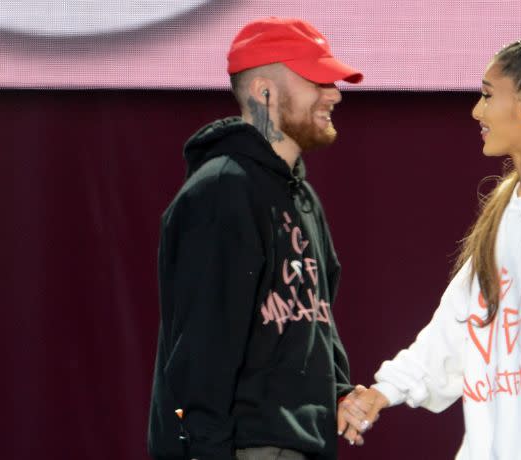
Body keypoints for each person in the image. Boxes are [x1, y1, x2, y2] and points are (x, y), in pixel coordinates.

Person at [337, 19, 521, 460]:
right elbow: (457, 327)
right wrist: (384, 391)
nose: (477, 112)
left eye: (486, 95)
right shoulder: (506, 208)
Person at [148, 17, 363, 460]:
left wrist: (338, 392)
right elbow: (201, 350)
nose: (335, 93)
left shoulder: (302, 196)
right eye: (318, 80)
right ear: (264, 92)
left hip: (300, 445)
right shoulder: (222, 191)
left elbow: (314, 316)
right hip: (243, 448)